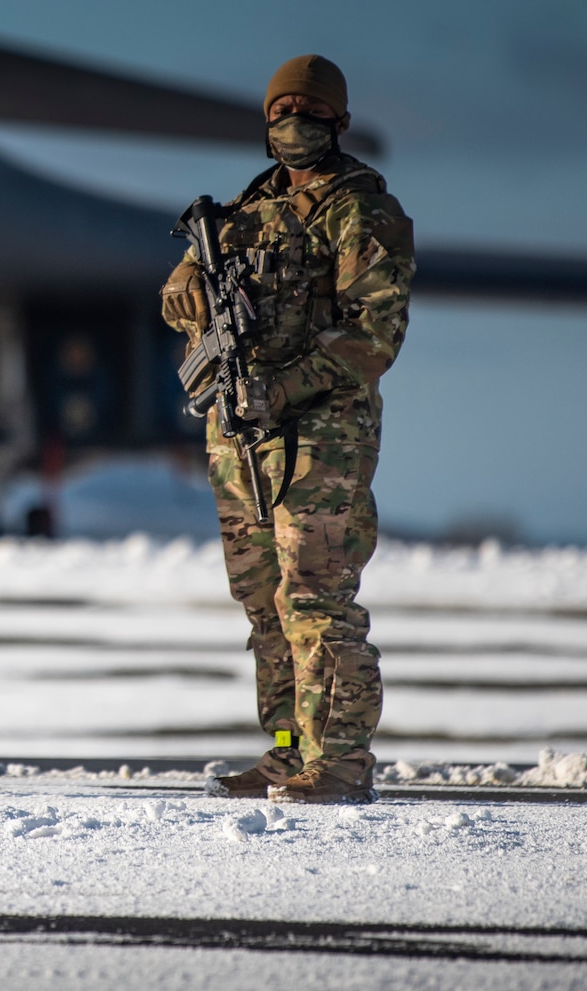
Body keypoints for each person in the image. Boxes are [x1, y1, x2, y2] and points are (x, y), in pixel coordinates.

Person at [160, 54, 414, 804]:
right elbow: (180, 290)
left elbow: (375, 335)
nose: (291, 123)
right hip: (242, 435)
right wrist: (189, 296)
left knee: (316, 600)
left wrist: (284, 384)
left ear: (337, 120)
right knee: (266, 606)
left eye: (307, 110)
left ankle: (339, 763)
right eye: (279, 111)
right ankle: (284, 749)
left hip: (322, 439)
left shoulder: (361, 211)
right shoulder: (243, 212)